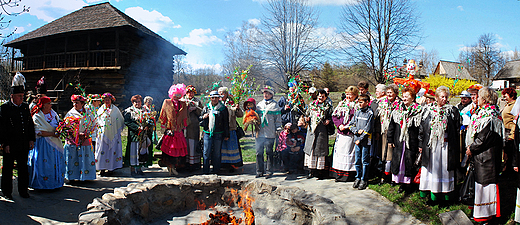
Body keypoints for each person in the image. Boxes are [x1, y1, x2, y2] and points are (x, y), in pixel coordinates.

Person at [465, 87, 503, 223]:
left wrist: (471, 149)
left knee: (485, 187)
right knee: (480, 186)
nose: (477, 99)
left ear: (485, 99)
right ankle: (480, 214)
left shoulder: (490, 116)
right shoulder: (484, 113)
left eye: (479, 97)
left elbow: (483, 138)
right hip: (482, 157)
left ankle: (486, 216)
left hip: (487, 158)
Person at [418, 86, 460, 203]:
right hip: (432, 146)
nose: (444, 99)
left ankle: (446, 195)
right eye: (442, 97)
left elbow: (456, 130)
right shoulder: (428, 110)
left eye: (446, 97)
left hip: (446, 146)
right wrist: (421, 144)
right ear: (436, 97)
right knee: (432, 169)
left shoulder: (452, 111)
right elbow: (422, 128)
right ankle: (433, 195)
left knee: (445, 170)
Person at [0, 73, 35, 199]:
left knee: (23, 168)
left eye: (23, 96)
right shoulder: (5, 108)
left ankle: (23, 191)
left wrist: (31, 139)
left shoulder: (25, 107)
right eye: (19, 96)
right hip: (10, 144)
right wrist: (5, 143)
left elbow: (30, 124)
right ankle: (7, 191)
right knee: (8, 169)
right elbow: (2, 127)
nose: (22, 98)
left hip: (23, 143)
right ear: (12, 96)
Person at [387, 87, 422, 193]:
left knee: (410, 162)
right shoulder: (398, 109)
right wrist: (390, 139)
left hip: (411, 142)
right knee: (399, 161)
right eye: (403, 96)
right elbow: (391, 125)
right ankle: (401, 183)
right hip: (399, 141)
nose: (404, 98)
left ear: (413, 98)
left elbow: (421, 129)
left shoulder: (418, 110)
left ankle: (409, 183)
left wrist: (420, 143)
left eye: (407, 96)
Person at [27, 96, 65, 189]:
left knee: (54, 163)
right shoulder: (37, 116)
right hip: (43, 144)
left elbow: (59, 124)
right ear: (43, 105)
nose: (50, 105)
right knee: (44, 163)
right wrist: (52, 133)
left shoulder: (54, 114)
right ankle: (42, 185)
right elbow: (38, 131)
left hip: (55, 142)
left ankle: (55, 183)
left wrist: (61, 129)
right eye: (48, 103)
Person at [63, 95, 97, 182]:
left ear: (82, 104)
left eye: (77, 103)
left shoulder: (88, 113)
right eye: (74, 103)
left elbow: (93, 124)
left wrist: (87, 133)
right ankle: (72, 177)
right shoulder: (70, 114)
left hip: (85, 138)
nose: (75, 105)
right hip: (73, 139)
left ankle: (86, 176)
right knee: (73, 158)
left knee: (86, 157)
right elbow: (66, 126)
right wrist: (77, 134)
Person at [159, 84, 189, 176]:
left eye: (179, 95)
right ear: (172, 94)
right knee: (169, 150)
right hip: (170, 130)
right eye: (175, 94)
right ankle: (170, 166)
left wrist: (184, 127)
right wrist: (163, 126)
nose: (177, 97)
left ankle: (175, 167)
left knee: (178, 151)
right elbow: (163, 114)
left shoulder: (183, 104)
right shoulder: (167, 102)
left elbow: (185, 116)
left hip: (178, 130)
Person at [330, 86, 359, 182]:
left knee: (349, 153)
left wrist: (347, 126)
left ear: (355, 95)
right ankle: (338, 174)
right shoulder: (342, 104)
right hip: (341, 132)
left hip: (350, 133)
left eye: (350, 95)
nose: (348, 96)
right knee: (339, 153)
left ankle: (348, 175)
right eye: (347, 94)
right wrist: (339, 125)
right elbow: (334, 116)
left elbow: (357, 119)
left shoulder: (357, 105)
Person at [304, 89, 333, 180]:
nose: (321, 98)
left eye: (323, 96)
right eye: (319, 96)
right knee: (311, 148)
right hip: (312, 130)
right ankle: (311, 171)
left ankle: (320, 172)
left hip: (321, 130)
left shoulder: (328, 107)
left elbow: (331, 117)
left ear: (325, 97)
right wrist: (307, 118)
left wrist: (328, 121)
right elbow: (307, 114)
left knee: (320, 149)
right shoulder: (312, 105)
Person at [376, 84, 402, 184]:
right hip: (384, 130)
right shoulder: (382, 102)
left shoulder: (399, 103)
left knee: (391, 155)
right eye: (388, 92)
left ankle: (392, 176)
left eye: (391, 92)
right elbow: (378, 118)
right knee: (384, 154)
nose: (389, 94)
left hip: (395, 132)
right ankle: (383, 175)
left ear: (396, 93)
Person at [255, 86, 282, 178]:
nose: (265, 95)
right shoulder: (259, 105)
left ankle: (269, 171)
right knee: (259, 152)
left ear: (271, 95)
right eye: (264, 93)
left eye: (268, 93)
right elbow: (255, 117)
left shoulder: (275, 105)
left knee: (269, 152)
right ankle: (259, 171)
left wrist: (278, 129)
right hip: (260, 132)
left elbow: (278, 119)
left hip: (270, 132)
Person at [200, 91, 229, 174]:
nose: (214, 99)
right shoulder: (206, 107)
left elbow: (226, 122)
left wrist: (226, 134)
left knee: (217, 152)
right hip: (207, 132)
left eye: (216, 97)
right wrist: (204, 117)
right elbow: (200, 118)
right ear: (210, 98)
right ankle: (206, 170)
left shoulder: (223, 108)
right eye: (213, 98)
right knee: (206, 152)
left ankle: (216, 170)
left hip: (218, 133)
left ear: (218, 98)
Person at [95, 93, 124, 176]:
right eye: (105, 99)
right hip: (102, 135)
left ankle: (111, 168)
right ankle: (102, 168)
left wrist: (117, 131)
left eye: (108, 99)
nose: (107, 101)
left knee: (112, 150)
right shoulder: (100, 110)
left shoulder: (116, 110)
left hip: (113, 133)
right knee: (102, 150)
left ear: (111, 100)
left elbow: (120, 120)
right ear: (103, 100)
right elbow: (97, 120)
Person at [349, 94, 374, 190]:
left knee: (365, 160)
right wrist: (355, 131)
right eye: (358, 102)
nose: (359, 104)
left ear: (367, 102)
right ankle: (358, 177)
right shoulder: (357, 112)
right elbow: (351, 124)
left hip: (365, 141)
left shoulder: (370, 113)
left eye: (361, 102)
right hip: (357, 140)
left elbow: (368, 128)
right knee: (357, 160)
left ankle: (364, 179)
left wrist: (360, 138)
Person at [219, 87, 244, 172]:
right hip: (221, 129)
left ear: (226, 94)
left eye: (222, 93)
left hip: (231, 128)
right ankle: (223, 164)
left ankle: (233, 164)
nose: (220, 95)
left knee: (231, 147)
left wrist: (237, 109)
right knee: (222, 148)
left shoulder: (231, 103)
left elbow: (240, 115)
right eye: (219, 93)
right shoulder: (218, 103)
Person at [124, 95, 150, 176]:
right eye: (135, 102)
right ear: (132, 102)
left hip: (143, 136)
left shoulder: (145, 110)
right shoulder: (129, 111)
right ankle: (132, 170)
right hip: (134, 136)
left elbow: (149, 120)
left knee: (141, 152)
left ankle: (139, 169)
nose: (137, 103)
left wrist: (146, 126)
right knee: (133, 152)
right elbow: (128, 122)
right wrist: (137, 128)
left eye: (138, 101)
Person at [182, 86, 202, 170]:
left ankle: (193, 164)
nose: (191, 94)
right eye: (189, 92)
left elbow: (202, 112)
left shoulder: (197, 101)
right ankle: (183, 164)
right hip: (184, 127)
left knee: (193, 144)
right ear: (186, 93)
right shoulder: (182, 100)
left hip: (193, 127)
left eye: (192, 92)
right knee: (184, 144)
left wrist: (195, 109)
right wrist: (186, 109)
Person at [500, 87, 516, 176]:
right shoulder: (507, 104)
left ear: (511, 95)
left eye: (505, 95)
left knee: (509, 153)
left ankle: (509, 172)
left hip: (509, 132)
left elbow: (515, 121)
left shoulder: (514, 105)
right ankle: (506, 170)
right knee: (505, 153)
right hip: (505, 130)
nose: (504, 97)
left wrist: (511, 135)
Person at [142, 96, 157, 167]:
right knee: (145, 144)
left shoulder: (152, 109)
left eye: (151, 101)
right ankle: (144, 161)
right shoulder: (143, 108)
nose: (149, 102)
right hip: (145, 128)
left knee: (150, 144)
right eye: (148, 101)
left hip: (150, 128)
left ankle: (149, 161)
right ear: (145, 102)